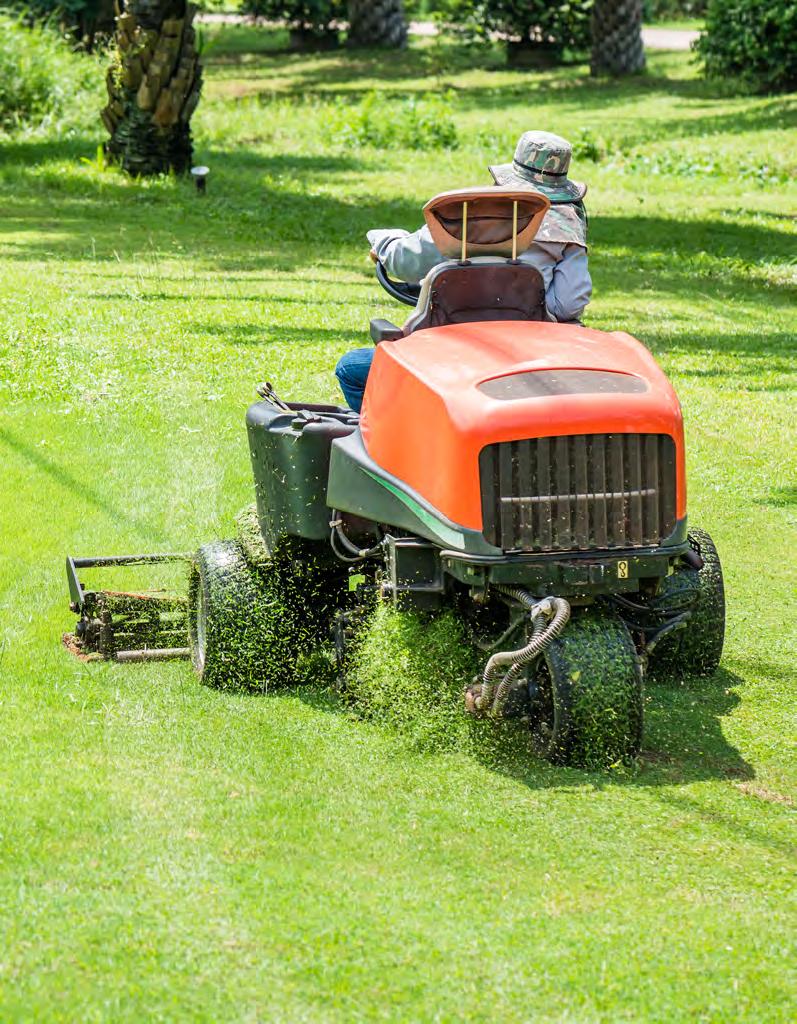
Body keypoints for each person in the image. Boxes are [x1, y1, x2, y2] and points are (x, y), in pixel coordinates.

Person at [336, 130, 591, 413]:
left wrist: (383, 242)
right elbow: (569, 302)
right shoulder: (569, 232)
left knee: (351, 369)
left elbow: (403, 263)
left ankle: (392, 444)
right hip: (527, 357)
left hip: (447, 358)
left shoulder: (468, 215)